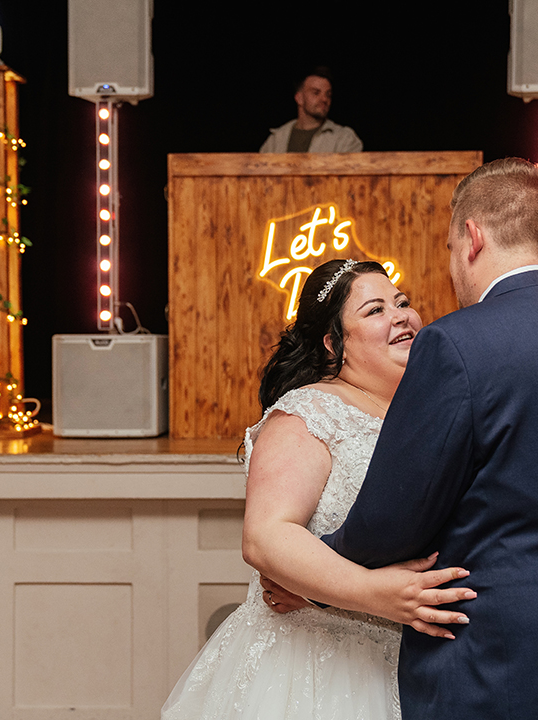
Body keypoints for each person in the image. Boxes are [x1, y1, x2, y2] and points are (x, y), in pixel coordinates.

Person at [323, 158, 538, 720]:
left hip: (498, 672)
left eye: (449, 248)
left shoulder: (453, 345)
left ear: (473, 238)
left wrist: (314, 574)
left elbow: (392, 523)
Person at [161, 259, 474, 720]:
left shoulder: (429, 408)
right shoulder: (309, 412)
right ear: (334, 344)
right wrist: (374, 592)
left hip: (419, 661)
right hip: (317, 672)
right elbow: (266, 537)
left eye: (402, 303)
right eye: (374, 310)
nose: (402, 315)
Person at [259, 68, 363, 153]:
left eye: (328, 94)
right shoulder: (276, 139)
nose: (324, 99)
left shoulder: (344, 139)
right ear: (299, 98)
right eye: (316, 93)